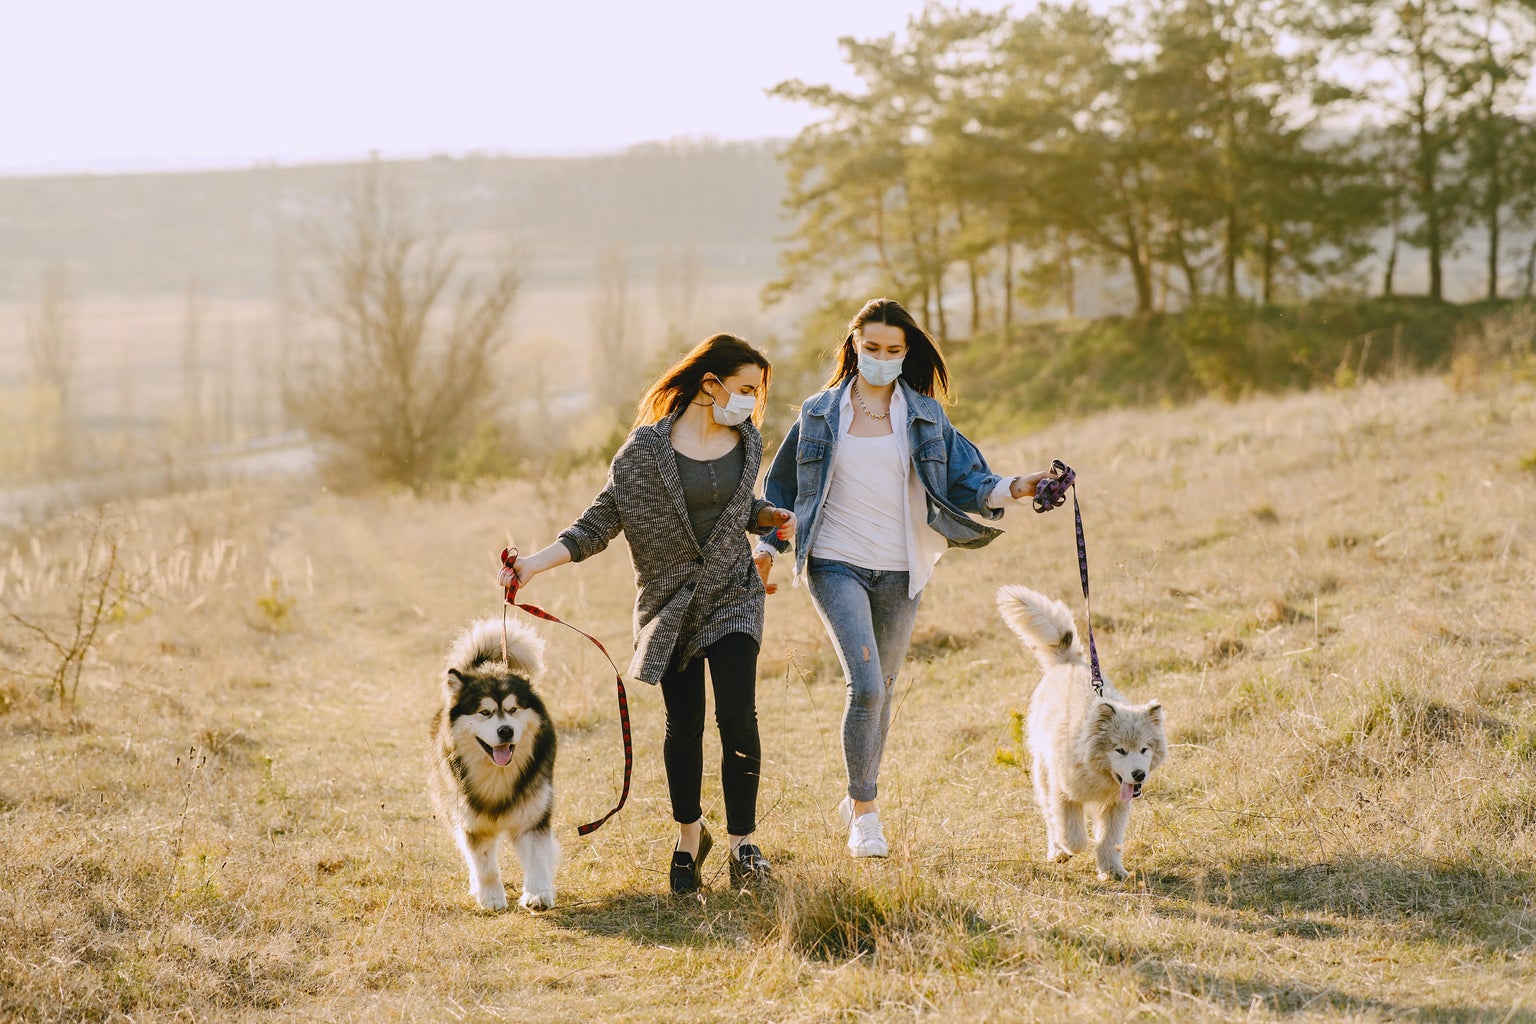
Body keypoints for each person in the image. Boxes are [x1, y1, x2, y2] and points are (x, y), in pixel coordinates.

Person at [757, 298, 1051, 859]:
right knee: (866, 686)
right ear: (854, 346)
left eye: (894, 351)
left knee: (884, 691)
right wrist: (768, 546)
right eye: (872, 349)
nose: (882, 358)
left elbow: (968, 479)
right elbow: (782, 492)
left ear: (906, 353)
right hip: (833, 561)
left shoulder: (925, 415)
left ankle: (857, 794)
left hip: (902, 568)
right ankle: (865, 814)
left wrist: (1021, 486)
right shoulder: (819, 413)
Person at [501, 333, 795, 894]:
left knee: (739, 717)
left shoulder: (748, 440)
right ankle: (690, 839)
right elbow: (599, 522)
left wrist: (765, 516)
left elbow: (732, 507)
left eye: (757, 392)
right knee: (683, 727)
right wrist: (532, 565)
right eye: (745, 389)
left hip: (733, 595)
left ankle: (743, 847)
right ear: (709, 384)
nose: (752, 402)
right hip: (670, 607)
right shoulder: (642, 453)